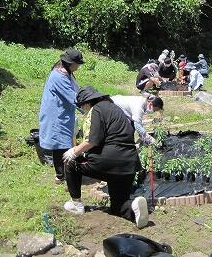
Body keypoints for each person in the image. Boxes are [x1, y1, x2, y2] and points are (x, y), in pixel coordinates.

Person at [62, 86, 149, 228]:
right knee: (117, 206)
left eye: (82, 106)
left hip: (110, 160)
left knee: (70, 163)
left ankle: (76, 204)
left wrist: (74, 151)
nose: (83, 109)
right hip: (129, 164)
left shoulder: (97, 109)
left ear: (87, 102)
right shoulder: (115, 109)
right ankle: (133, 207)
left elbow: (92, 140)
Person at [39, 48, 84, 184]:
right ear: (71, 63)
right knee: (60, 145)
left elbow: (77, 91)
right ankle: (61, 176)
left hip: (62, 113)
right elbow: (73, 97)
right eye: (78, 64)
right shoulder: (59, 76)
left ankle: (64, 174)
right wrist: (89, 110)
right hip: (56, 115)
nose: (79, 66)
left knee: (64, 143)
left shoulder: (65, 72)